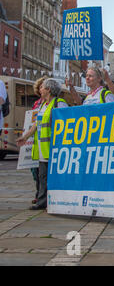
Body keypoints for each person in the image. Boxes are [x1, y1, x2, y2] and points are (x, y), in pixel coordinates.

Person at [16, 79, 68, 210]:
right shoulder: (43, 105)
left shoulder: (59, 103)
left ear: (49, 89)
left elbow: (67, 123)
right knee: (42, 176)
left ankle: (56, 201)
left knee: (55, 177)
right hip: (42, 148)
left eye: (42, 88)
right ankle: (42, 201)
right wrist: (25, 136)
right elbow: (36, 124)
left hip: (54, 148)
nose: (40, 90)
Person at [29, 76, 48, 205]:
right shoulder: (38, 104)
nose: (41, 89)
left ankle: (43, 198)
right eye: (40, 86)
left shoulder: (54, 103)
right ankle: (39, 194)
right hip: (37, 143)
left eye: (43, 86)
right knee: (37, 173)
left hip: (47, 144)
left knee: (43, 174)